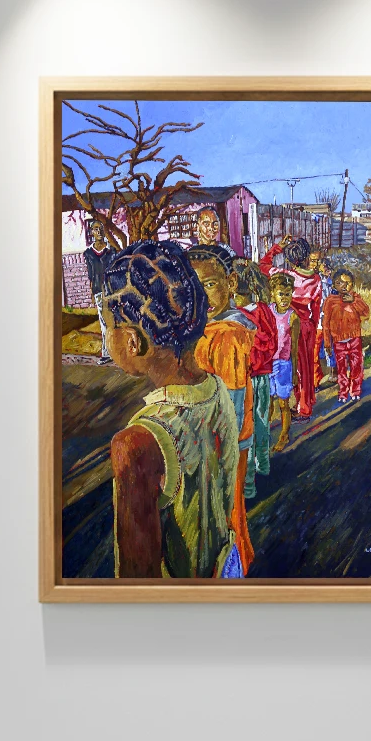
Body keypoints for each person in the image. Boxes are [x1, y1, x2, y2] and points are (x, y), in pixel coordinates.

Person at [105, 240, 243, 579]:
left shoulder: (136, 443)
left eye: (108, 325)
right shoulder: (218, 391)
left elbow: (138, 580)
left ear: (133, 341)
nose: (106, 336)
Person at [187, 244, 257, 572]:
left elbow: (233, 405)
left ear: (231, 283)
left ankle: (233, 573)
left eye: (210, 284)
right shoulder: (210, 329)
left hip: (223, 445)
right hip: (214, 440)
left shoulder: (228, 335)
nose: (202, 297)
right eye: (193, 288)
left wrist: (220, 452)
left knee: (225, 516)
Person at [259, 235, 322, 419]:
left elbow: (262, 265)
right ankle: (306, 404)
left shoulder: (286, 276)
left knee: (295, 366)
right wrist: (312, 326)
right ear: (307, 257)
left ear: (290, 259)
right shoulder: (316, 280)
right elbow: (316, 309)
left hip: (290, 324)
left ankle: (302, 408)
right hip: (307, 326)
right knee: (306, 367)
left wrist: (276, 248)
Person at [232, 258, 278, 494]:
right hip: (257, 377)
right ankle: (262, 467)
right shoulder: (261, 311)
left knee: (248, 429)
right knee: (258, 424)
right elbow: (272, 343)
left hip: (249, 378)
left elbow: (267, 344)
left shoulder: (242, 315)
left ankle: (250, 482)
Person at [322, 269, 371, 404]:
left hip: (354, 339)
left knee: (356, 366)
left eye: (347, 283)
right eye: (340, 283)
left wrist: (354, 301)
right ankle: (343, 392)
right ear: (334, 285)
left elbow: (366, 312)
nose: (344, 286)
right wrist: (327, 343)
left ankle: (355, 390)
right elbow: (326, 323)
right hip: (338, 341)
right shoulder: (330, 301)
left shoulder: (355, 297)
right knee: (341, 368)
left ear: (352, 285)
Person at [267, 272, 300, 452]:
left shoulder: (293, 317)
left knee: (283, 403)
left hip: (284, 364)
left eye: (288, 294)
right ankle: (263, 434)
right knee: (267, 403)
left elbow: (294, 348)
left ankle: (284, 436)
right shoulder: (267, 312)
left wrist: (294, 371)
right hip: (268, 363)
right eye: (281, 294)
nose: (285, 298)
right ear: (273, 293)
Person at [82, 220, 114, 363]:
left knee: (115, 321)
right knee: (104, 323)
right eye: (96, 229)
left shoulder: (111, 251)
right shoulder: (89, 253)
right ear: (92, 232)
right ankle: (107, 353)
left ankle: (118, 352)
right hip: (99, 292)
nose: (99, 231)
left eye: (101, 228)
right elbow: (91, 275)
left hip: (112, 291)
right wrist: (92, 293)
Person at [313, 255, 335, 385]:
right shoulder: (317, 282)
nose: (327, 269)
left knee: (329, 347)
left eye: (328, 267)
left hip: (328, 321)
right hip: (318, 322)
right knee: (317, 351)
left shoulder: (331, 283)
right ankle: (317, 378)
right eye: (324, 266)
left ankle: (332, 372)